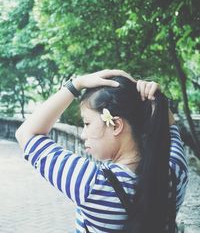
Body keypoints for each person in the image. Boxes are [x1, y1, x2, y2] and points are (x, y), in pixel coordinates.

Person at [15, 69, 188, 233]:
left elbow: (26, 133)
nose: (83, 134)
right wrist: (153, 97)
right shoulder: (175, 172)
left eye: (87, 123)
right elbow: (168, 126)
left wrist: (77, 83)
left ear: (116, 125)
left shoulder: (92, 184)